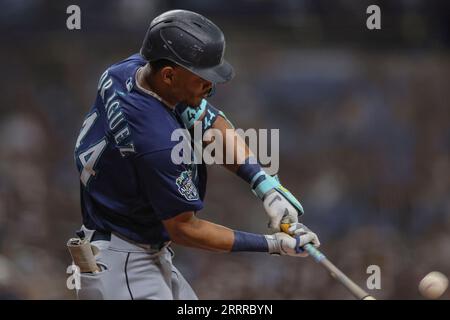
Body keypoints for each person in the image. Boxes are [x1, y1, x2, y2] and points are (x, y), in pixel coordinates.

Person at [71, 9, 320, 300]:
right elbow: (185, 229)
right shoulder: (157, 141)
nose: (210, 84)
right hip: (123, 265)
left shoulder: (125, 71)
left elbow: (207, 121)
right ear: (168, 75)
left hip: (128, 251)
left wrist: (264, 185)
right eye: (201, 77)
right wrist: (273, 244)